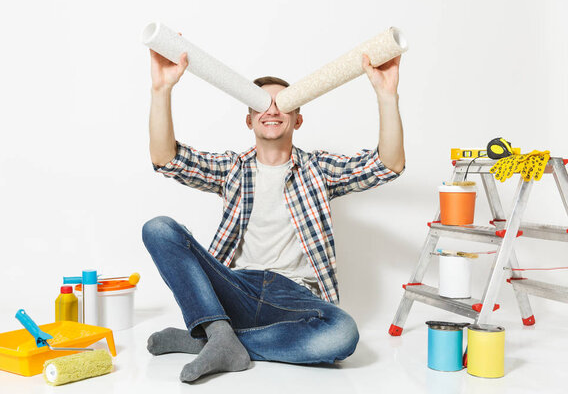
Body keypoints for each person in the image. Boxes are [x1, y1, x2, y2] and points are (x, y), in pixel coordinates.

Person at [142, 47, 405, 383]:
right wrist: (161, 89)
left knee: (343, 334)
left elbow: (388, 164)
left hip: (294, 298)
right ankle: (221, 336)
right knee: (159, 229)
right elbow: (166, 158)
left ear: (298, 118)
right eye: (261, 105)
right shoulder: (231, 169)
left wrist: (387, 94)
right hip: (237, 286)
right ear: (249, 119)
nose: (272, 111)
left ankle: (213, 340)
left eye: (283, 105)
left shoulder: (319, 169)